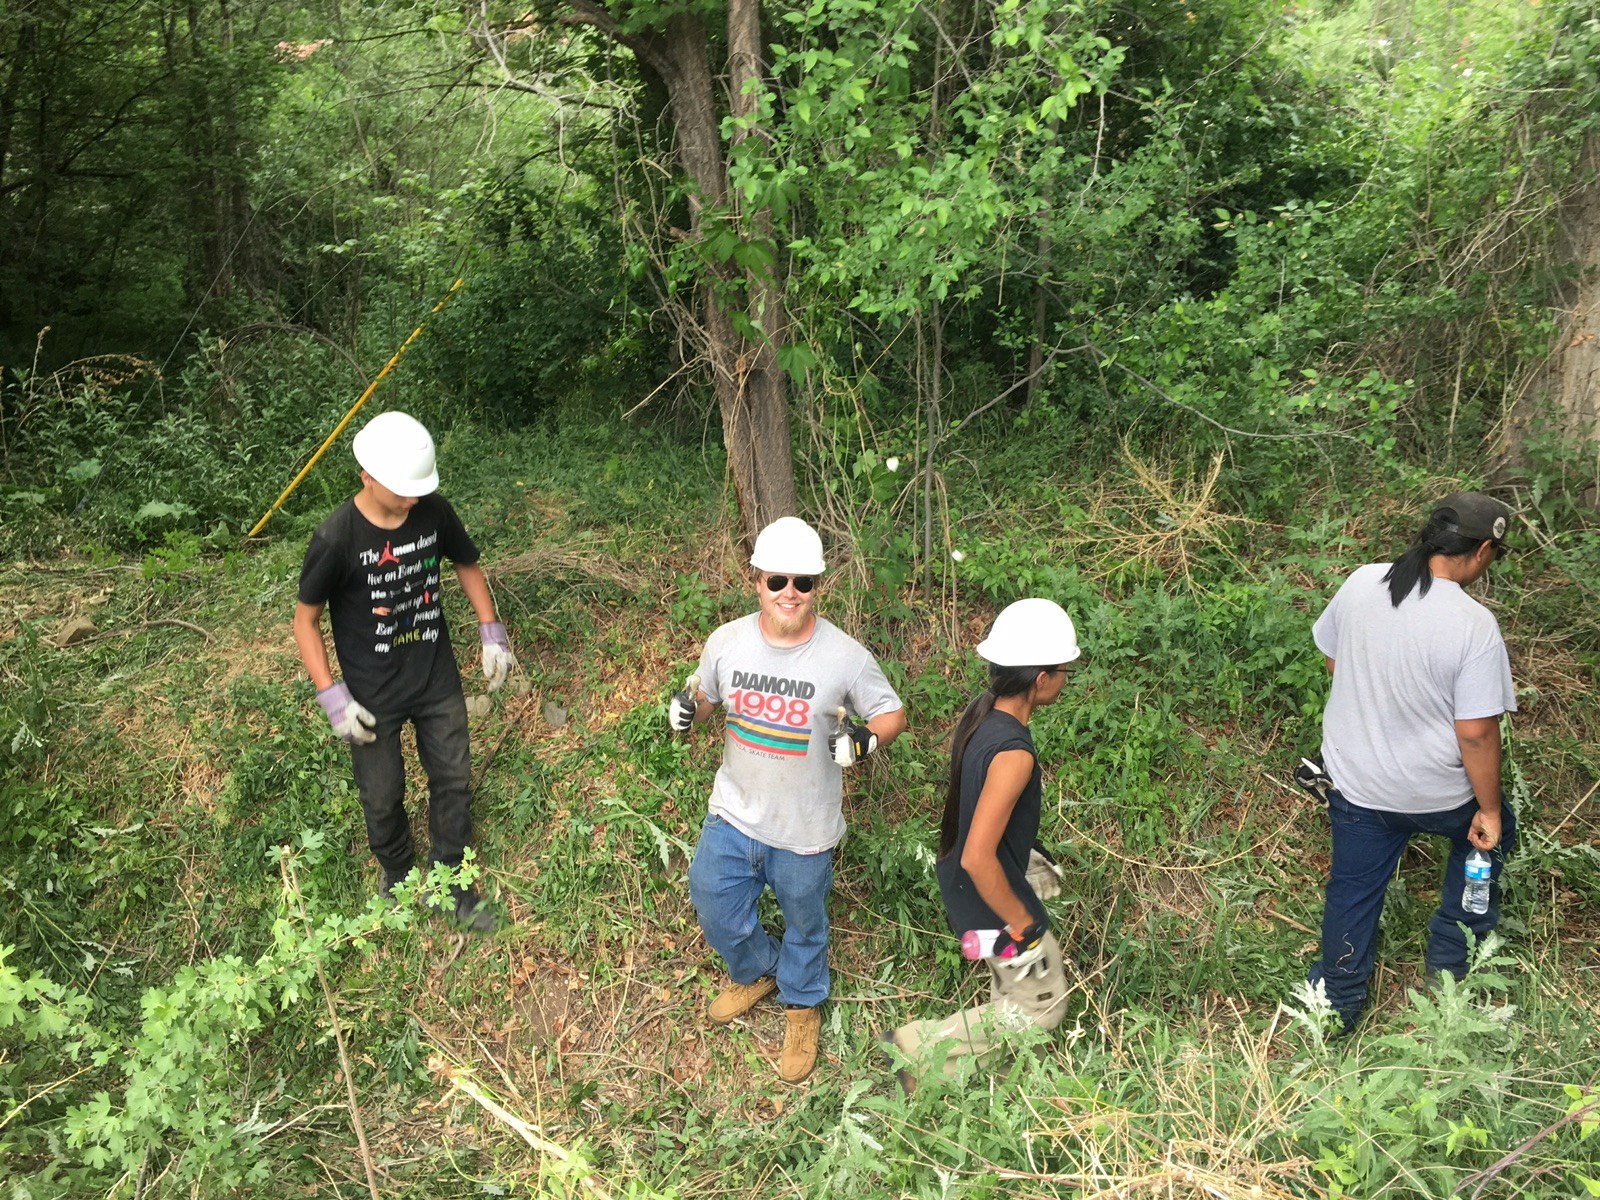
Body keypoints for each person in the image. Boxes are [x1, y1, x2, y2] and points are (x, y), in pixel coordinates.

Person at [668, 517, 907, 1084]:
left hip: (805, 827)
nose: (789, 592)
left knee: (806, 922)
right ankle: (758, 970)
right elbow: (704, 698)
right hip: (734, 812)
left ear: (818, 586)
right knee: (710, 895)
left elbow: (891, 712)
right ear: (757, 581)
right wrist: (688, 712)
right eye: (778, 580)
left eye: (803, 581)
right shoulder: (725, 642)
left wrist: (868, 738)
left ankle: (802, 1004)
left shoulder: (845, 656)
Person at [292, 410, 515, 933]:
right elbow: (306, 620)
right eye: (402, 490)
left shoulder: (433, 511)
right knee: (382, 791)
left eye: (419, 489)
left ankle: (452, 881)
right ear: (367, 476)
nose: (413, 499)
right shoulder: (336, 538)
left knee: (453, 777)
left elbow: (466, 564)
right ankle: (395, 871)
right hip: (372, 696)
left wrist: (490, 630)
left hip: (435, 678)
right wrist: (332, 696)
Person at [1305, 491, 1517, 1034]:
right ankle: (1450, 967)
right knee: (1488, 835)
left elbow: (1335, 658)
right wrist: (1488, 811)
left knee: (1352, 891)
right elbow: (1475, 734)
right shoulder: (1473, 625)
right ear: (1483, 550)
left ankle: (1337, 1004)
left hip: (1359, 786)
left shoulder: (1362, 582)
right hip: (1438, 794)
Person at [881, 598, 1078, 1083]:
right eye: (1063, 670)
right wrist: (1024, 927)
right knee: (1042, 1007)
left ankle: (986, 1081)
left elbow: (979, 819)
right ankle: (914, 1049)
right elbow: (977, 854)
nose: (1066, 678)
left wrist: (1025, 857)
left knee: (1011, 993)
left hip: (967, 904)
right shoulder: (1015, 753)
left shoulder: (982, 714)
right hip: (990, 907)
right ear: (1040, 679)